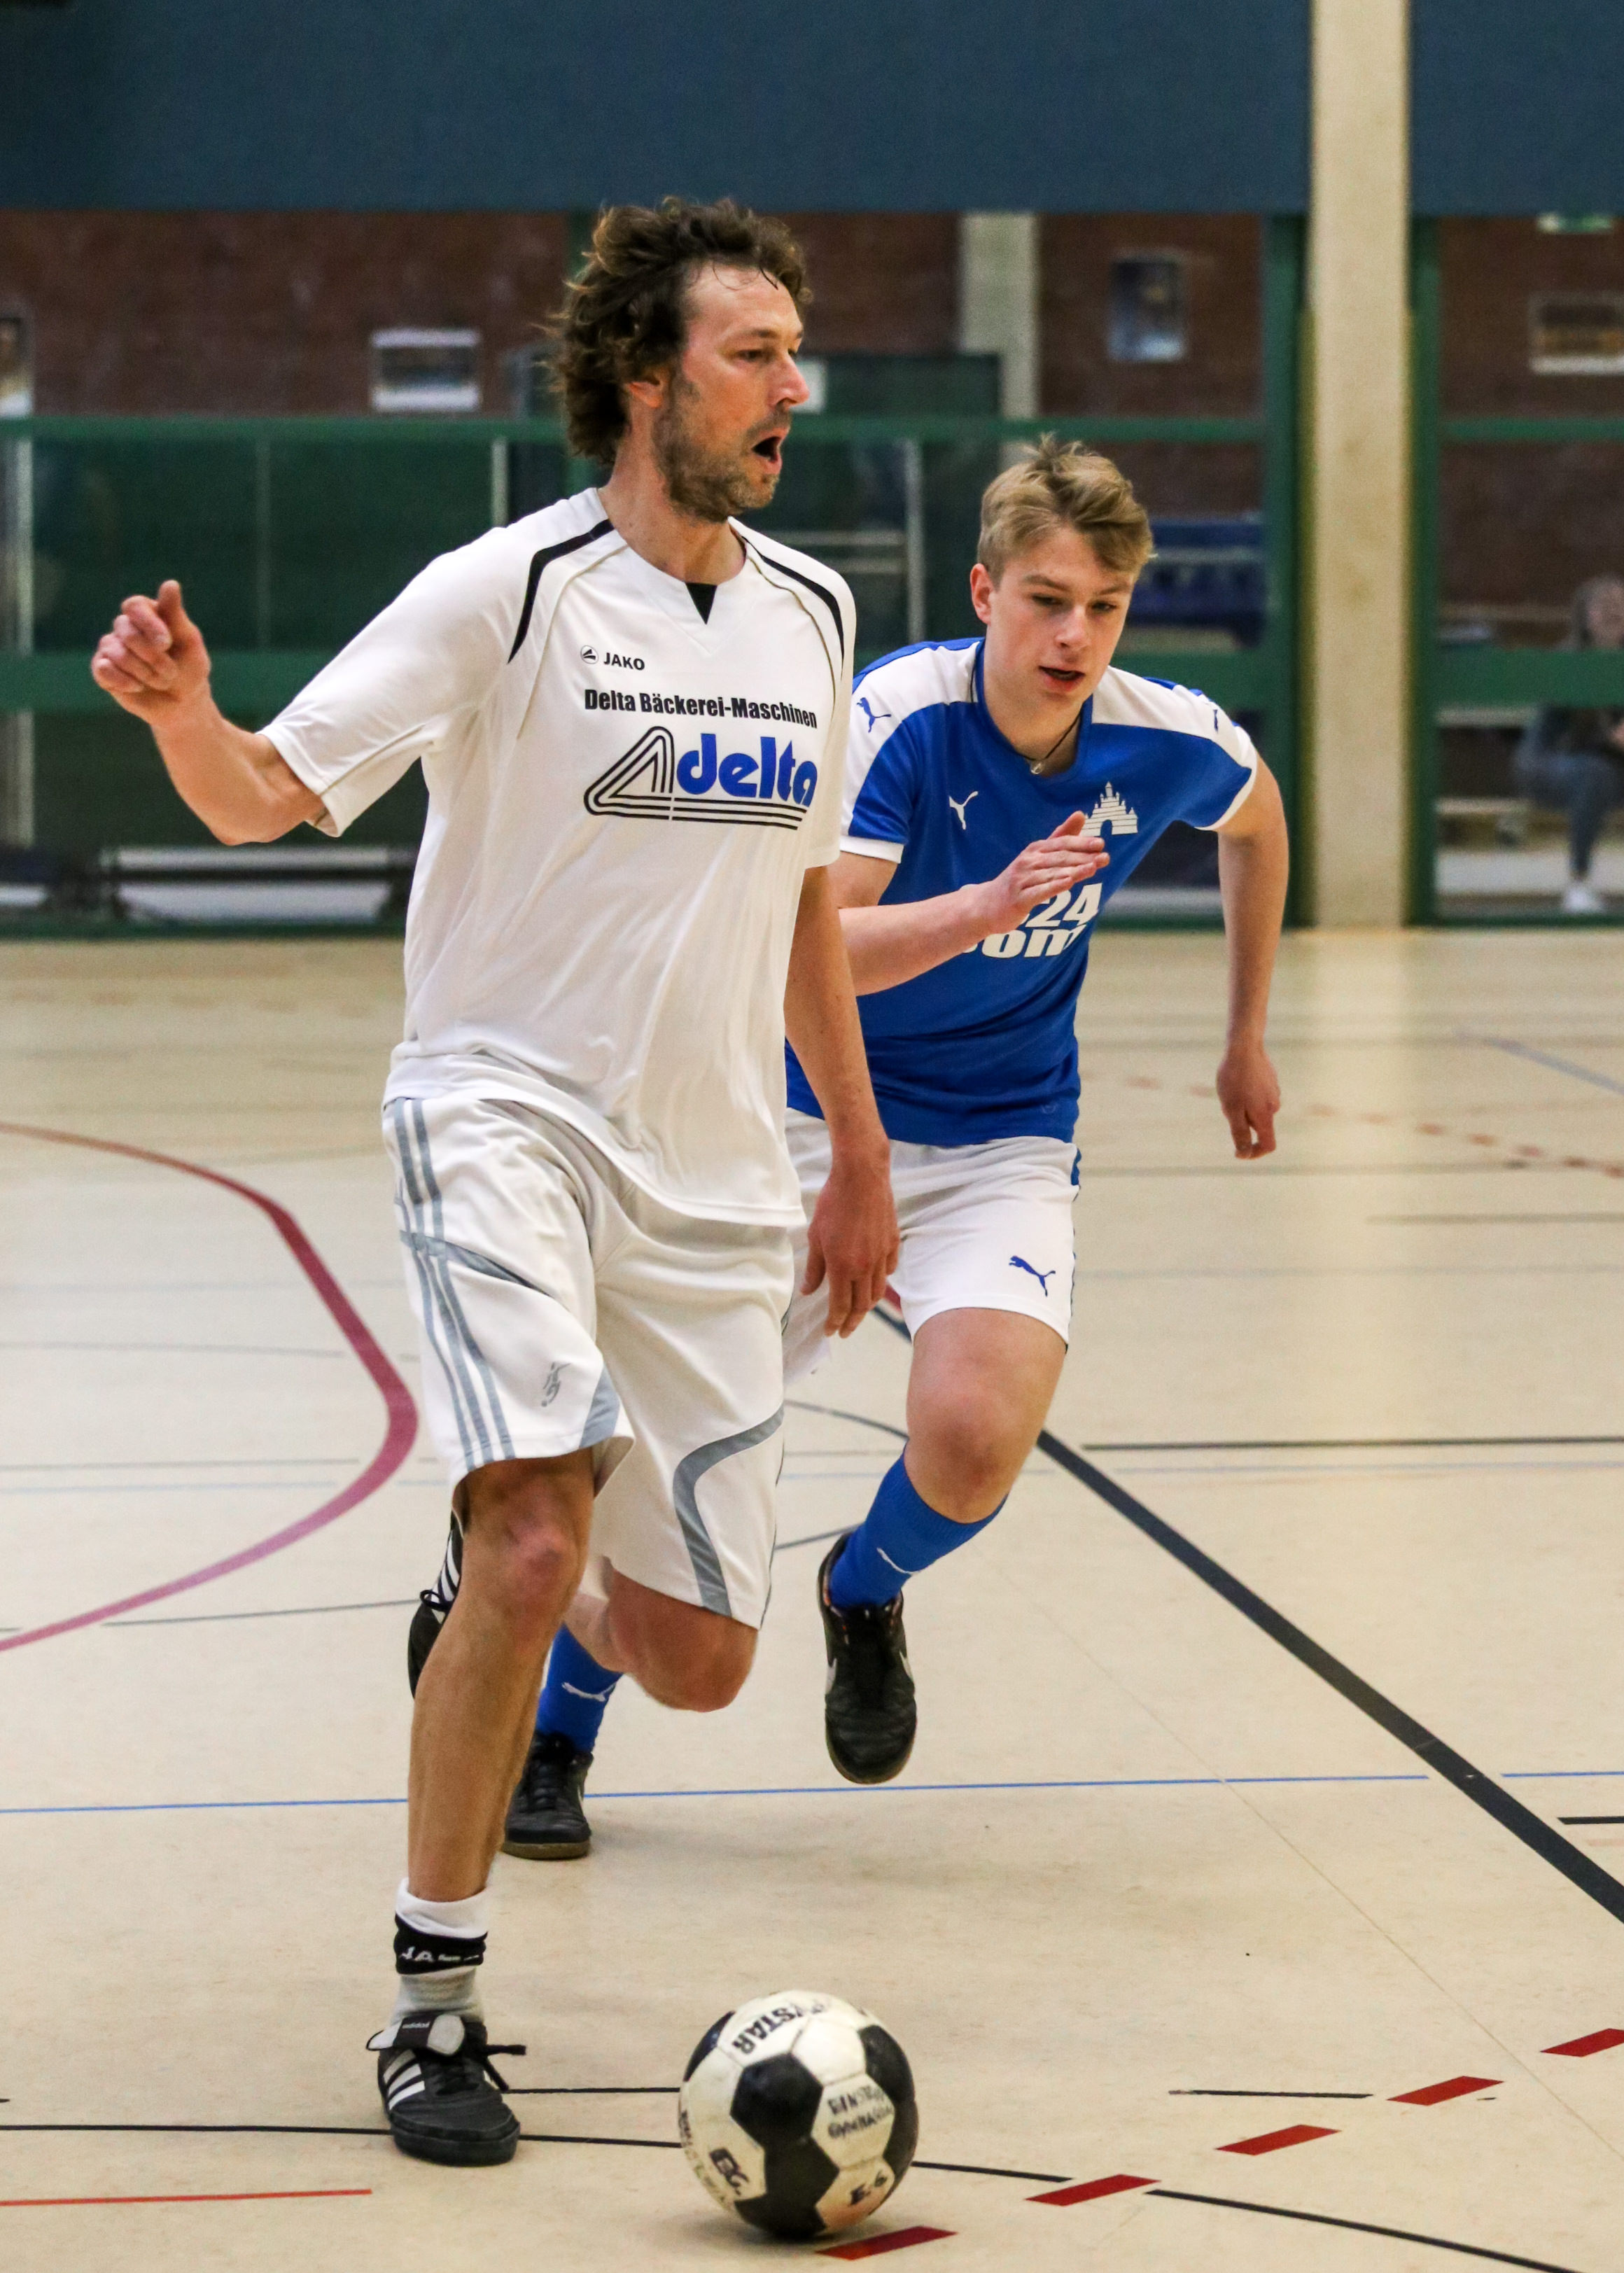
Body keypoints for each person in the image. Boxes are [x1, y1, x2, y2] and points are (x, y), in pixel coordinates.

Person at [88, 197, 898, 2170]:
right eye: (753, 353)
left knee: (698, 1658)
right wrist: (185, 713)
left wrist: (857, 1148)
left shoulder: (811, 613)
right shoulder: (505, 591)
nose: (792, 387)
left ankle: (490, 1570)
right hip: (501, 1115)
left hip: (716, 1168)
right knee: (540, 1541)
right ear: (642, 377)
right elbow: (266, 792)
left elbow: (806, 893)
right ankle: (433, 2001)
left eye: (794, 353)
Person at [422, 437, 1287, 1843]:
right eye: (1045, 601)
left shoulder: (1163, 736)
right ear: (984, 593)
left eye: (1104, 607)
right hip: (800, 1123)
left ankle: (862, 1587)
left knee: (973, 1438)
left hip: (1003, 1136)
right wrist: (987, 905)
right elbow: (808, 941)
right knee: (644, 1465)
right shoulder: (894, 717)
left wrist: (1244, 1028)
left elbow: (1257, 819)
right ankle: (558, 1732)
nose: (1073, 638)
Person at [1513, 575, 1624, 914]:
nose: (1615, 613)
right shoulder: (1568, 661)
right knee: (1593, 772)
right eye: (1605, 606)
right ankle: (1578, 883)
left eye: (1621, 605)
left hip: (1607, 762)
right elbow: (1566, 737)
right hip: (1550, 762)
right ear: (1585, 616)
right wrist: (1610, 740)